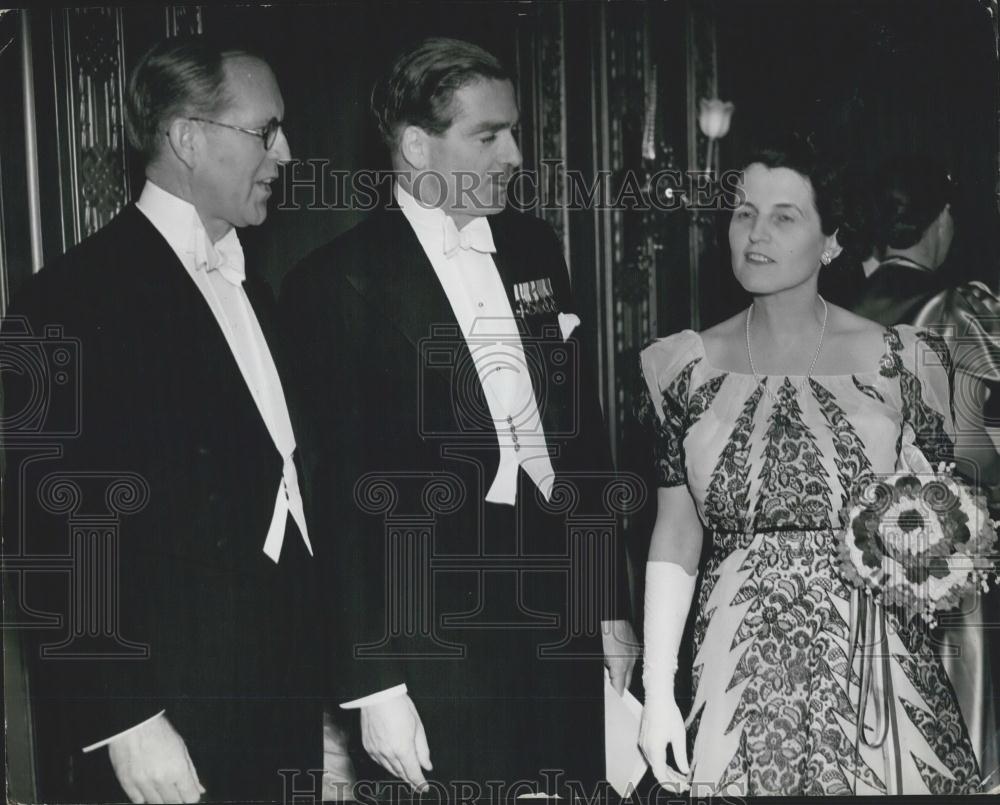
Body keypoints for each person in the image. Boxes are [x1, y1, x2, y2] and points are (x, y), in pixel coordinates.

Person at [279, 36, 636, 798]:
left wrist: (609, 603)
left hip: (560, 607)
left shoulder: (537, 245)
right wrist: (372, 685)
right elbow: (336, 497)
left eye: (514, 131)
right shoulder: (334, 283)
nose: (513, 153)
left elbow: (583, 439)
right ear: (415, 145)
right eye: (488, 135)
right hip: (433, 628)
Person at [1, 36, 322, 803]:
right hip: (167, 720)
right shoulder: (68, 300)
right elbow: (52, 527)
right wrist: (128, 718)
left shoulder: (258, 290)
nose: (287, 152)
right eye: (265, 130)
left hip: (273, 699)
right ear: (186, 138)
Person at [636, 138, 984, 795]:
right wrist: (658, 689)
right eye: (743, 213)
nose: (755, 234)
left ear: (831, 242)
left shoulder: (904, 359)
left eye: (783, 216)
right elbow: (676, 534)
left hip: (876, 675)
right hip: (737, 667)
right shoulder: (682, 366)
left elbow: (951, 527)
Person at [849, 154, 1000, 782]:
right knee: (966, 743)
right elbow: (980, 448)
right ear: (940, 219)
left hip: (864, 568)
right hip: (953, 562)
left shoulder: (837, 313)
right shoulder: (959, 305)